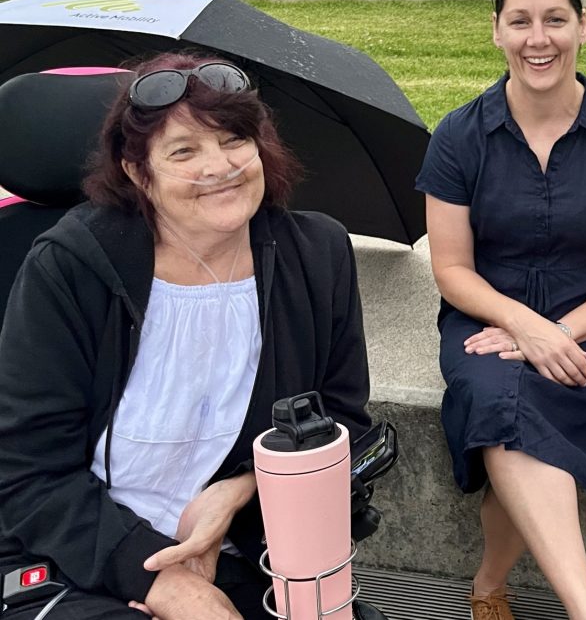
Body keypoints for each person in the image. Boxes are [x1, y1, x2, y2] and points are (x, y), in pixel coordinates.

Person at [0, 52, 372, 620]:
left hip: (245, 549)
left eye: (234, 140)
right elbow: (28, 471)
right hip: (80, 552)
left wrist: (246, 484)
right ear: (136, 171)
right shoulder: (71, 266)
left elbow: (342, 420)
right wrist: (164, 581)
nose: (220, 166)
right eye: (183, 151)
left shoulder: (317, 255)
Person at [415, 0, 586, 620]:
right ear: (496, 31)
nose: (539, 38)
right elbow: (451, 268)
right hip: (486, 318)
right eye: (520, 20)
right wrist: (524, 327)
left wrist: (557, 332)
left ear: (583, 26)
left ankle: (489, 584)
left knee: (514, 419)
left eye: (555, 19)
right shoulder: (457, 137)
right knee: (498, 396)